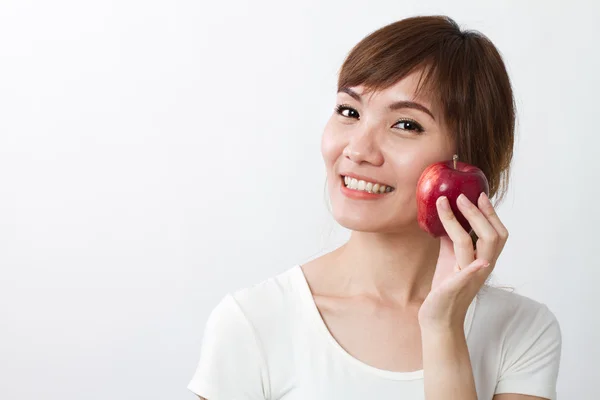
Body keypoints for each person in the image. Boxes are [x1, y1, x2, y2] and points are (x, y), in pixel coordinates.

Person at [187, 15, 562, 400]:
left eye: (405, 125)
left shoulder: (521, 332)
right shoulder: (253, 323)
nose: (357, 150)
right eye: (349, 112)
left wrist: (443, 328)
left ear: (465, 163)